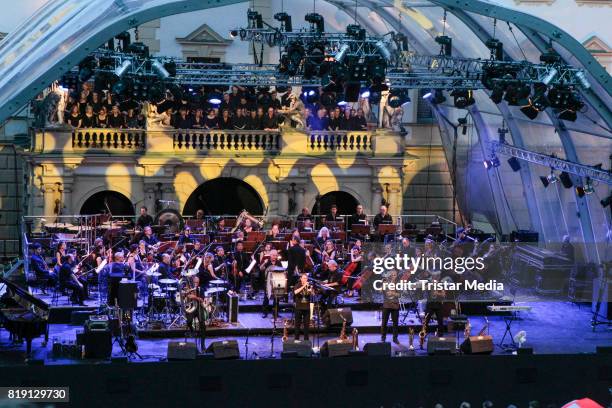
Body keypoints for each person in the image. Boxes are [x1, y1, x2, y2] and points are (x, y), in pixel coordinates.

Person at [260, 249, 282, 318]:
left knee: (277, 298)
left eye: (276, 255)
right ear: (270, 255)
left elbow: (282, 271)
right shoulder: (267, 262)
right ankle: (264, 313)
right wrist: (264, 263)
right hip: (268, 283)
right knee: (266, 298)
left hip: (276, 282)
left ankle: (275, 313)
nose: (274, 257)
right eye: (273, 255)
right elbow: (261, 268)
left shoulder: (279, 262)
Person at [381, 270, 400, 343]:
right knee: (384, 323)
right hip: (386, 305)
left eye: (394, 275)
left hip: (395, 305)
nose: (393, 276)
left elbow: (400, 294)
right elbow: (384, 293)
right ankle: (383, 337)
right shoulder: (385, 282)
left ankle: (395, 338)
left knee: (395, 323)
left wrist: (393, 293)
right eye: (392, 275)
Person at [293, 273, 313, 341]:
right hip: (299, 308)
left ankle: (306, 341)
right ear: (301, 279)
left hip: (306, 308)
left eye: (306, 278)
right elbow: (295, 292)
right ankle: (296, 340)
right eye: (304, 278)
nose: (305, 279)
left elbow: (312, 293)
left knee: (306, 326)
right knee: (297, 325)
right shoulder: (297, 285)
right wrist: (304, 286)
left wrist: (311, 290)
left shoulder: (309, 285)